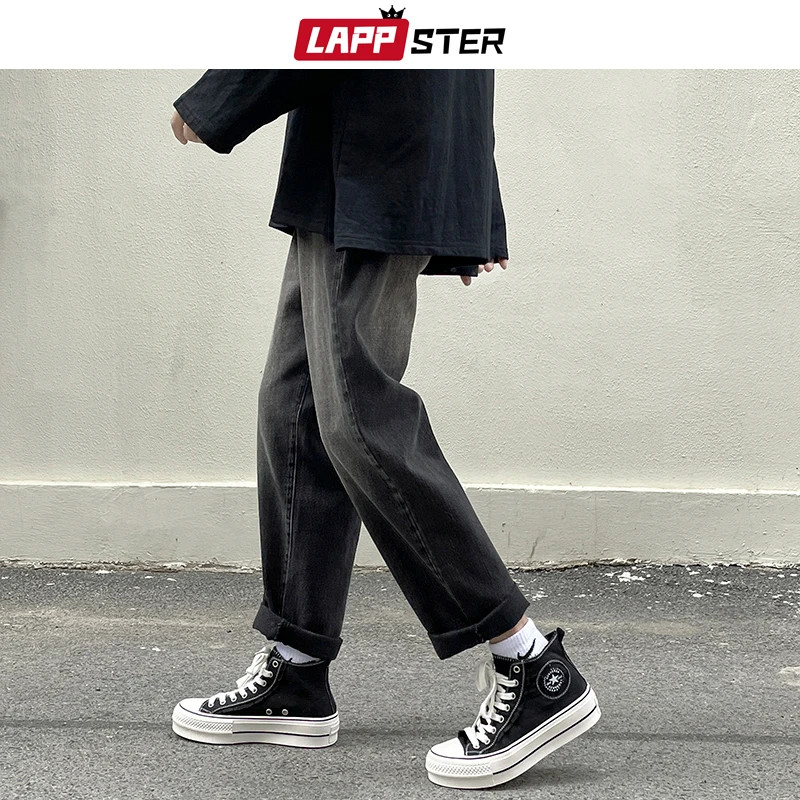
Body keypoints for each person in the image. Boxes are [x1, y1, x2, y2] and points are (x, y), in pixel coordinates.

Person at [168, 69, 600, 789]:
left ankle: (531, 664)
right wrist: (473, 207)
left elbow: (354, 23)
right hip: (351, 169)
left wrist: (218, 101)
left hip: (373, 164)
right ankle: (297, 668)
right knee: (296, 408)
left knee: (359, 418)